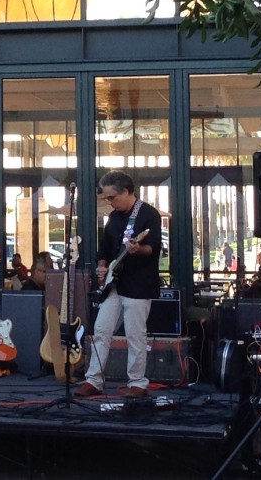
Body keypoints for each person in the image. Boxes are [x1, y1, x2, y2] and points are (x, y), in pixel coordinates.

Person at [76, 171, 162, 399]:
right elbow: (104, 249)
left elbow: (153, 247)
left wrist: (138, 249)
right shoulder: (113, 218)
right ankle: (93, 379)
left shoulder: (148, 214)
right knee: (102, 330)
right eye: (106, 198)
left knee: (135, 335)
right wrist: (102, 266)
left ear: (126, 191)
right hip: (115, 284)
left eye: (111, 197)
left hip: (139, 283)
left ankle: (137, 382)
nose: (109, 202)